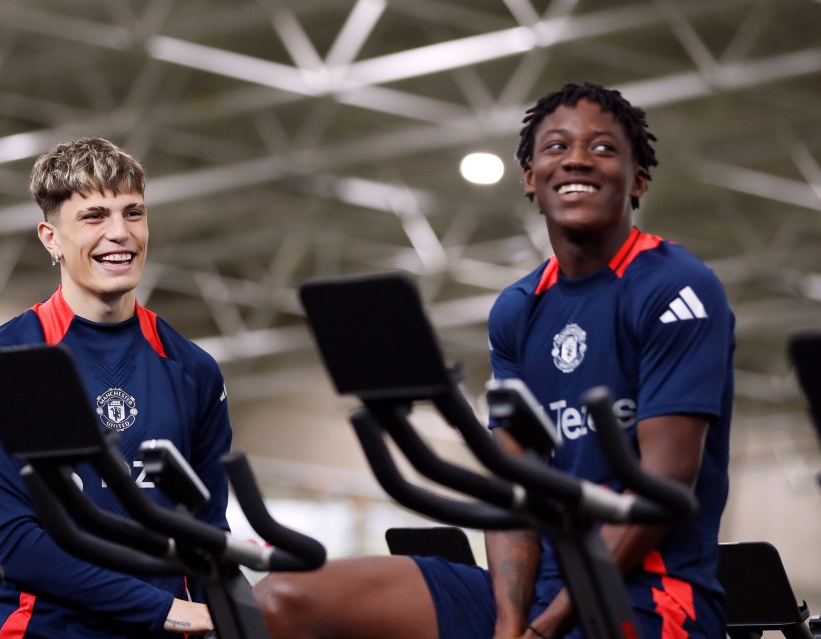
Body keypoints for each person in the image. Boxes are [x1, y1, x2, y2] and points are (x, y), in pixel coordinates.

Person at [252, 82, 735, 639]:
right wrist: (509, 626)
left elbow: (665, 483)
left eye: (602, 148)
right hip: (539, 595)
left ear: (638, 180)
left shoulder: (677, 287)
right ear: (531, 177)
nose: (577, 158)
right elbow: (514, 487)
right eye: (556, 147)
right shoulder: (520, 307)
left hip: (650, 597)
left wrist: (543, 629)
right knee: (281, 598)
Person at [0, 137, 231, 638]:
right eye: (93, 217)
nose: (120, 234)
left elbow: (209, 533)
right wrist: (162, 609)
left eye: (133, 213)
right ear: (51, 238)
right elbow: (11, 540)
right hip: (42, 630)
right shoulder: (7, 361)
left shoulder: (194, 370)